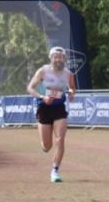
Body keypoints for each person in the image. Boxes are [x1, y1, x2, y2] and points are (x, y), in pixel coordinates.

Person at [26, 47, 76, 183]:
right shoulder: (43, 71)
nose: (58, 59)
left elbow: (72, 87)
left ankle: (55, 171)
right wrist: (42, 97)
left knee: (60, 140)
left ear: (65, 59)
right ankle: (44, 145)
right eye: (56, 57)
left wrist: (71, 93)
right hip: (44, 108)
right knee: (47, 146)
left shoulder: (68, 74)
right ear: (51, 58)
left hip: (59, 108)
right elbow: (30, 88)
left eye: (61, 57)